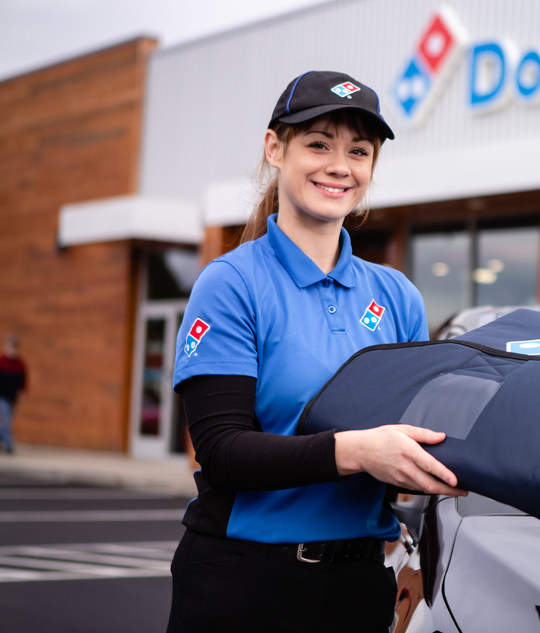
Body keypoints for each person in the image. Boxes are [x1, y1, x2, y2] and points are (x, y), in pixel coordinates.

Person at [166, 70, 465, 633]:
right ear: (275, 149)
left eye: (358, 150)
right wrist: (355, 452)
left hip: (358, 586)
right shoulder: (232, 283)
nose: (339, 165)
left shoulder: (396, 294)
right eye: (318, 143)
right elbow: (222, 450)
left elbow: (422, 439)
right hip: (243, 584)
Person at [0, 334, 27, 454]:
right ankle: (9, 444)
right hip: (2, 396)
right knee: (5, 420)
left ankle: (2, 440)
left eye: (14, 348)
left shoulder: (19, 364)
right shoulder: (1, 362)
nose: (12, 350)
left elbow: (23, 380)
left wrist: (22, 392)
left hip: (12, 397)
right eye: (10, 347)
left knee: (9, 420)